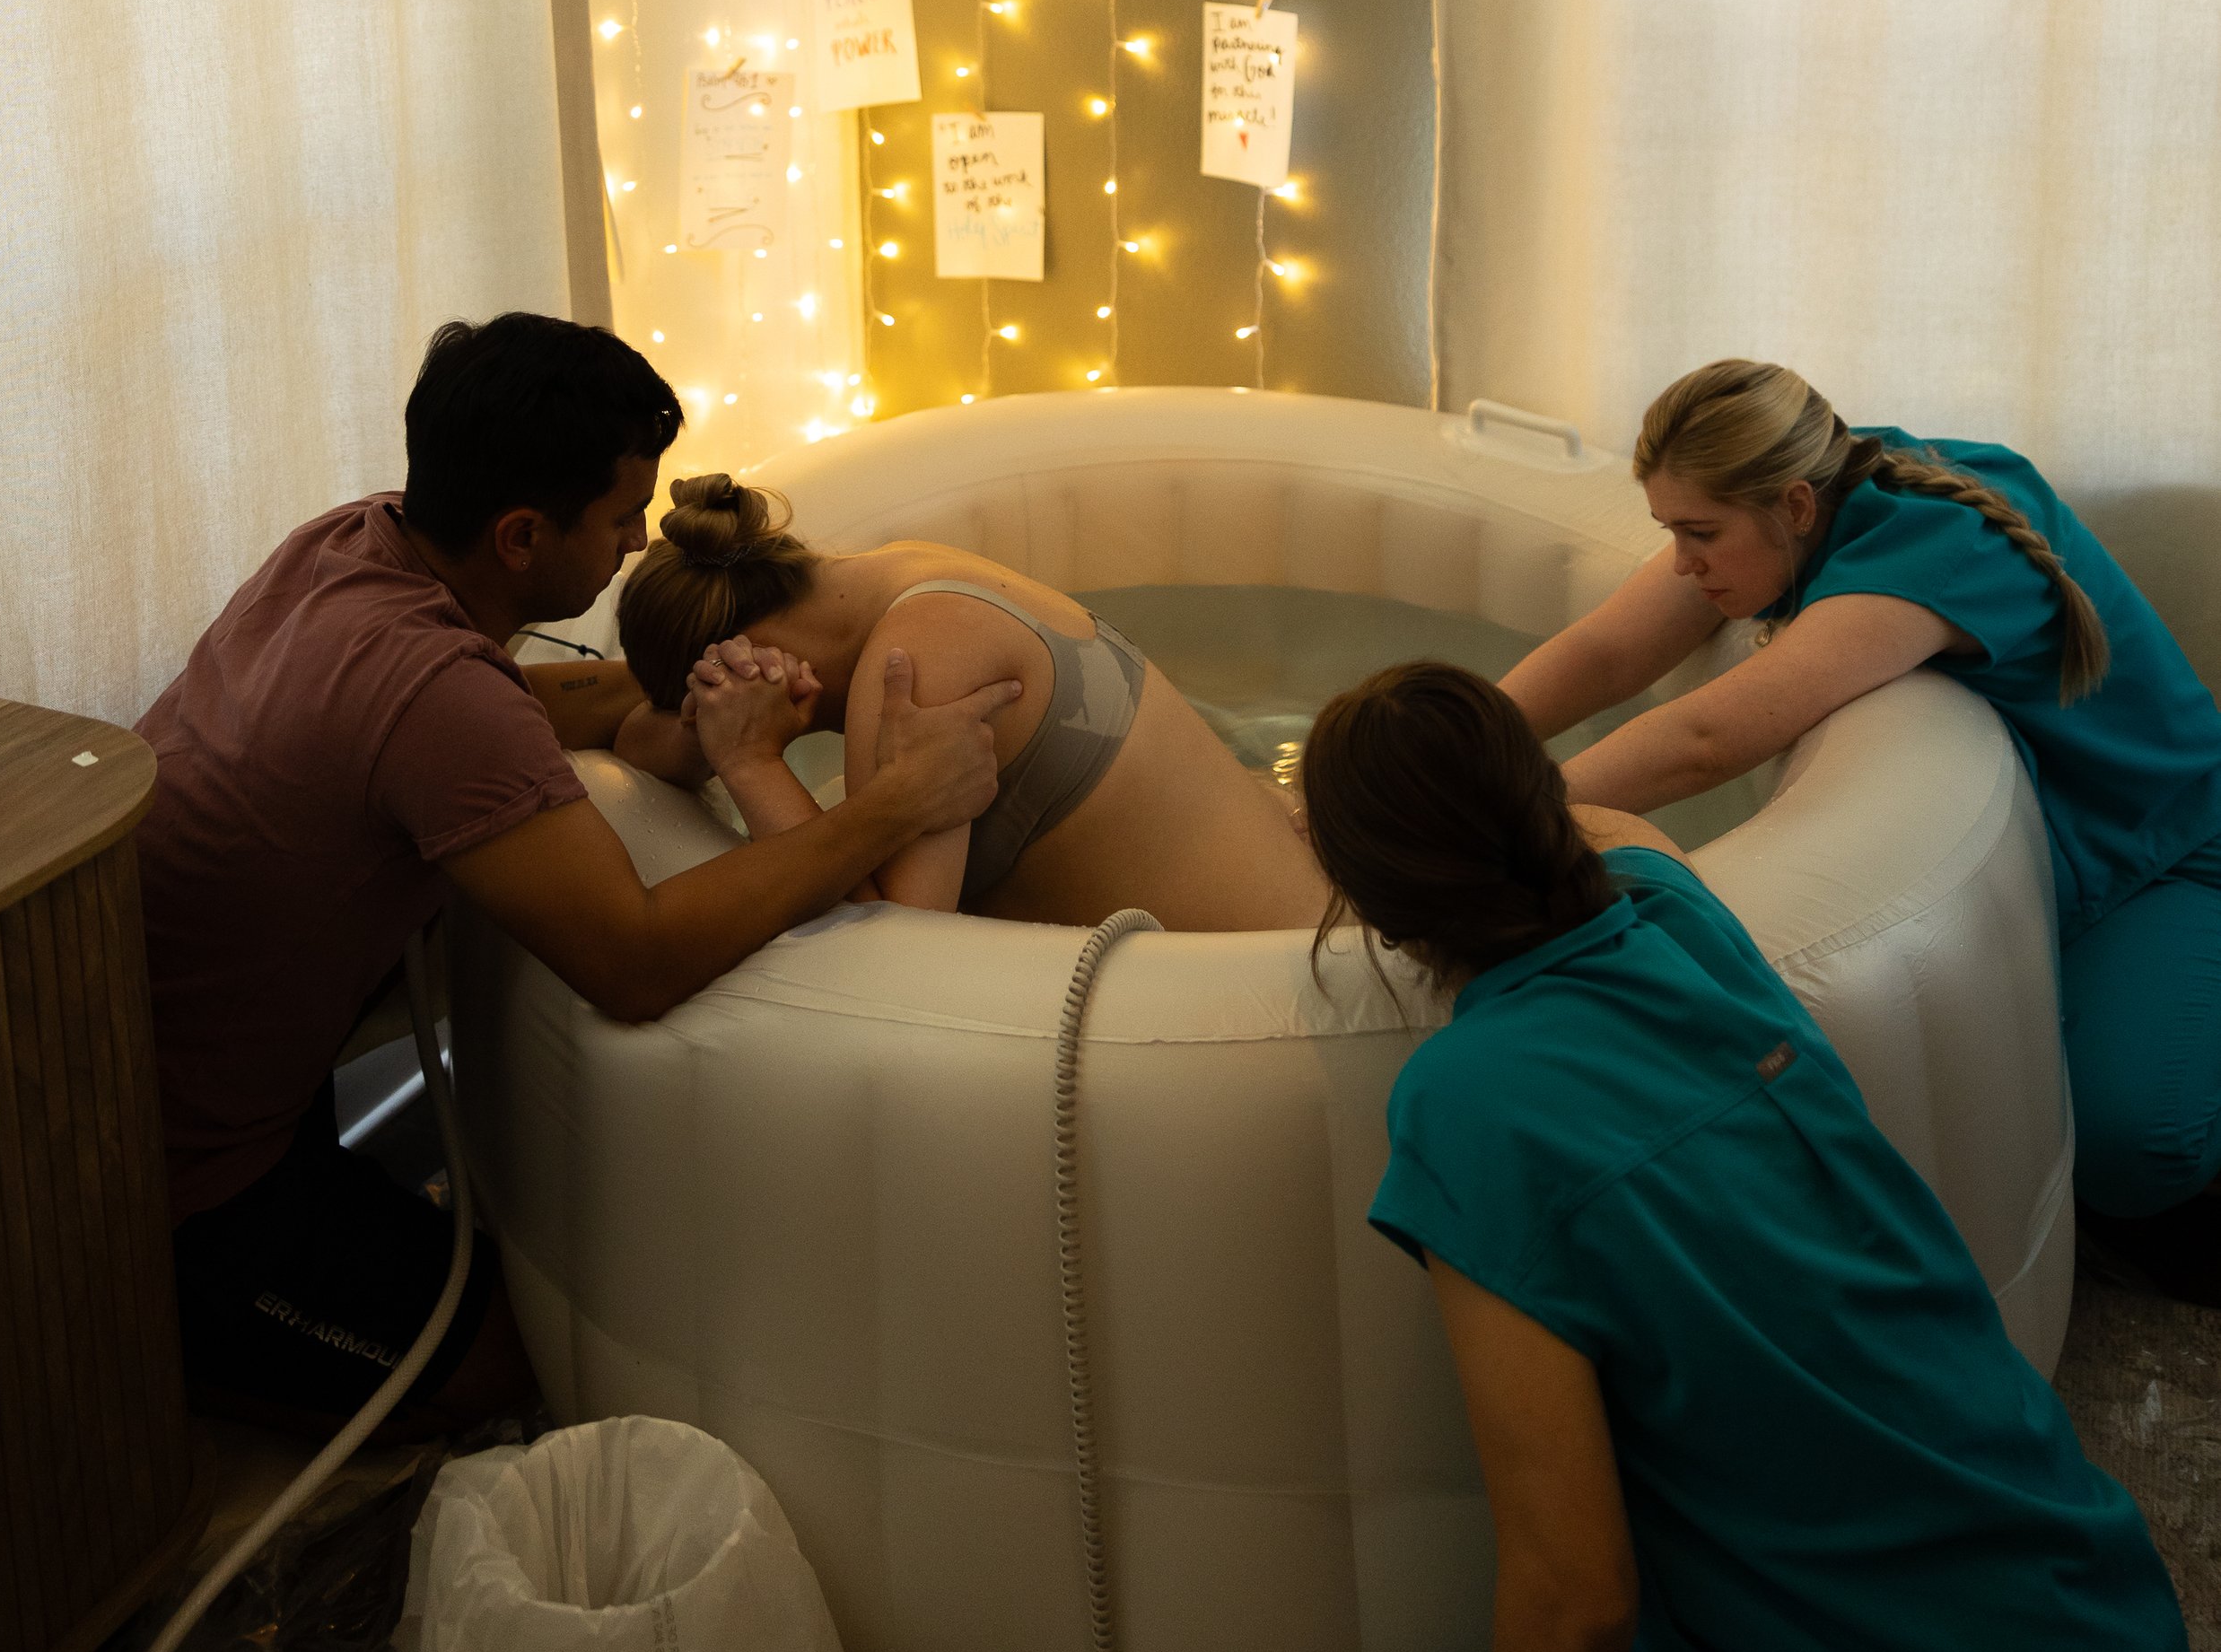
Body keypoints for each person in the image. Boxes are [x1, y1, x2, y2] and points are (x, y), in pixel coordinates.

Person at [138, 314, 1019, 1431]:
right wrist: (900, 801)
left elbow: (522, 715)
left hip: (176, 1078)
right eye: (619, 518)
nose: (641, 543)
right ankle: (172, 1360)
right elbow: (636, 961)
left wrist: (693, 707)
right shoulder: (434, 699)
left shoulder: (353, 544)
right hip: (179, 1190)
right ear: (519, 536)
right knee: (526, 1355)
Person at [1303, 657, 2200, 1652]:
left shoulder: (1467, 1103)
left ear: (1380, 907)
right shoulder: (1682, 928)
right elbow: (1608, 832)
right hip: (2098, 1615)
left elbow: (1578, 1596)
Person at [1500, 357, 2221, 1302]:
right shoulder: (1806, 487)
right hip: (2081, 849)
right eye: (1670, 531)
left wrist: (1491, 821)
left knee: (2134, 1145)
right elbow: (1605, 651)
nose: (1681, 563)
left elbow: (1706, 738)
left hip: (2172, 853)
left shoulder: (1934, 545)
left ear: (1795, 506)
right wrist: (1431, 756)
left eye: (1697, 535)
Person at [616, 472, 1328, 927]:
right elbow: (640, 740)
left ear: (743, 653)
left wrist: (751, 760)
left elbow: (889, 963)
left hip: (1276, 981)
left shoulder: (917, 661)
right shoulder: (902, 569)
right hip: (1305, 910)